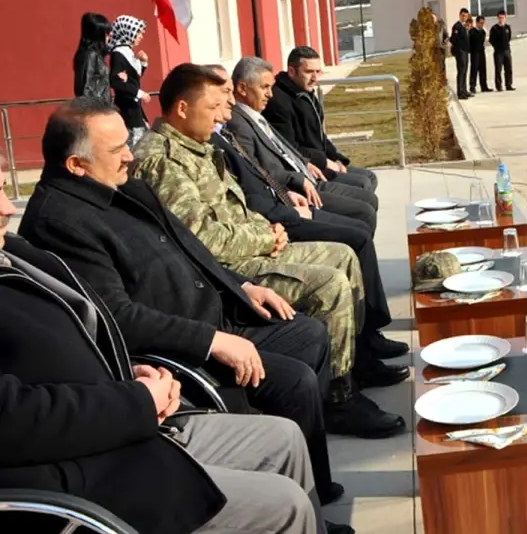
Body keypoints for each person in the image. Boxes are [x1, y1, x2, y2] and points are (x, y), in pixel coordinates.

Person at [1, 190, 336, 534]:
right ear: (78, 163)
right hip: (83, 474)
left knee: (285, 437)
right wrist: (137, 401)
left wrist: (123, 373)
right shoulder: (58, 222)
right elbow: (11, 416)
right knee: (286, 504)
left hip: (122, 420)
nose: (9, 208)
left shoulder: (16, 253)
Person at [131, 65, 373, 394]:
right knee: (328, 284)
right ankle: (339, 396)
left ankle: (354, 363)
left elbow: (235, 207)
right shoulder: (163, 160)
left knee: (344, 255)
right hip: (226, 272)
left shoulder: (196, 146)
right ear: (183, 108)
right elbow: (200, 241)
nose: (221, 117)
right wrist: (265, 237)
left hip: (249, 249)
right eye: (213, 108)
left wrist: (268, 227)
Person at [207, 65, 408, 377]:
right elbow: (246, 198)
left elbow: (273, 161)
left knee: (359, 216)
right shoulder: (225, 133)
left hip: (282, 206)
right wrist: (283, 209)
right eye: (220, 99)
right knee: (355, 237)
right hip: (269, 227)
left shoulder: (225, 132)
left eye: (228, 96)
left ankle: (365, 341)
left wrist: (300, 179)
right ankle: (350, 373)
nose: (227, 107)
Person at [226, 57, 379, 232]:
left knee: (366, 195)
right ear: (242, 88)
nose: (270, 94)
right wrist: (298, 179)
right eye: (265, 87)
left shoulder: (256, 114)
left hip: (307, 176)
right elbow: (256, 170)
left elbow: (285, 149)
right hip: (294, 190)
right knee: (364, 212)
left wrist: (307, 163)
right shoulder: (238, 123)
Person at [264, 47, 379, 193]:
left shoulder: (306, 93)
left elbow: (319, 136)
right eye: (309, 72)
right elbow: (287, 146)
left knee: (370, 177)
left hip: (321, 162)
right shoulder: (279, 101)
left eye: (318, 72)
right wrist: (325, 162)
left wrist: (337, 159)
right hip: (306, 169)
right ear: (292, 71)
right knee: (362, 184)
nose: (315, 78)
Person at [109, 14, 151, 146]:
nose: (141, 36)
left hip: (134, 107)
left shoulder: (128, 51)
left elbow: (133, 79)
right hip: (127, 109)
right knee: (136, 146)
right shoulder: (119, 53)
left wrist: (143, 63)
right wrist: (139, 93)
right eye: (138, 32)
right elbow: (115, 81)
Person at [73, 12, 111, 101]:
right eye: (106, 33)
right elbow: (86, 88)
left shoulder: (93, 54)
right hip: (96, 110)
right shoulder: (91, 56)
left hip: (101, 108)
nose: (110, 35)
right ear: (98, 35)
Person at [447, 8, 471, 99]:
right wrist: (459, 48)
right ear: (460, 15)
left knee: (465, 71)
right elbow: (453, 39)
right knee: (461, 71)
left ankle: (464, 90)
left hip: (465, 51)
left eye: (466, 16)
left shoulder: (464, 26)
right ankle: (460, 92)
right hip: (460, 52)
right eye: (463, 16)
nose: (464, 17)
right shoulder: (457, 26)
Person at [489, 11, 515, 91]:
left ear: (505, 18)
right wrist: (497, 47)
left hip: (507, 51)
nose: (501, 19)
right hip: (498, 52)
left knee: (508, 68)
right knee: (498, 69)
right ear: (497, 18)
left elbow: (509, 38)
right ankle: (499, 86)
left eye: (503, 17)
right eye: (500, 18)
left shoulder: (507, 27)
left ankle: (509, 84)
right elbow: (491, 40)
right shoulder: (494, 28)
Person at [468, 15, 491, 94]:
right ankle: (472, 86)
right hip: (474, 53)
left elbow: (483, 41)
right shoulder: (472, 31)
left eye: (483, 23)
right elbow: (469, 43)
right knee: (474, 69)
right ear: (477, 22)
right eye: (481, 23)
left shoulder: (483, 32)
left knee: (483, 69)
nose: (482, 24)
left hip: (481, 52)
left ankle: (484, 86)